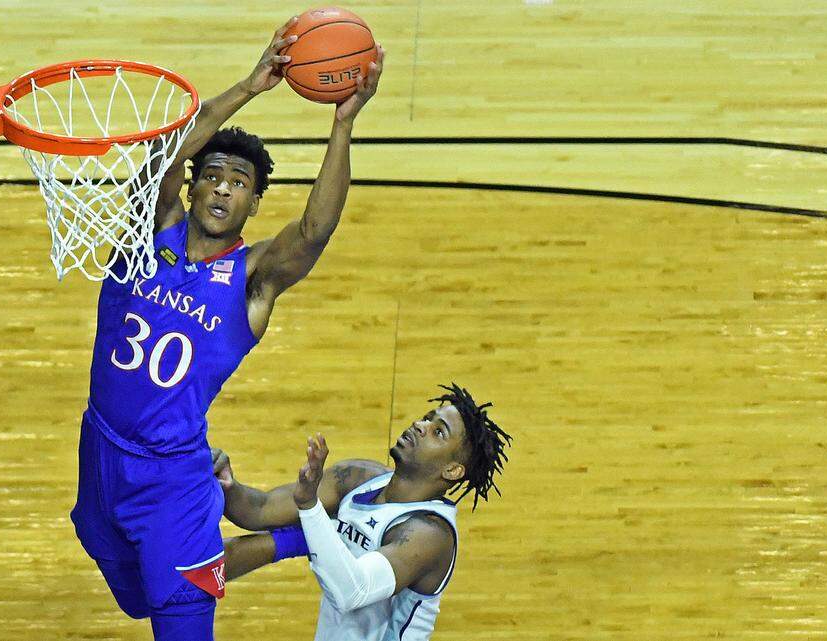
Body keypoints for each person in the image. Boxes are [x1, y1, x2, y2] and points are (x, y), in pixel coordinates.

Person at [69, 15, 387, 640]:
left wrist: (343, 123)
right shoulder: (145, 233)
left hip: (172, 482)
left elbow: (313, 233)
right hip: (100, 453)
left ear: (253, 204)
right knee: (137, 597)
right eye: (211, 175)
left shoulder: (251, 280)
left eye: (239, 183)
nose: (221, 188)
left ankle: (280, 547)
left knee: (179, 603)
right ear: (190, 190)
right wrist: (251, 84)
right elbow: (167, 155)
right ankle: (293, 542)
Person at [212, 384, 511, 641]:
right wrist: (225, 484)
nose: (420, 425)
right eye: (426, 418)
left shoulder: (430, 535)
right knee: (283, 539)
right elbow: (260, 510)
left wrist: (309, 509)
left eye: (438, 432)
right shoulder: (355, 477)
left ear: (452, 470)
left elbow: (351, 591)